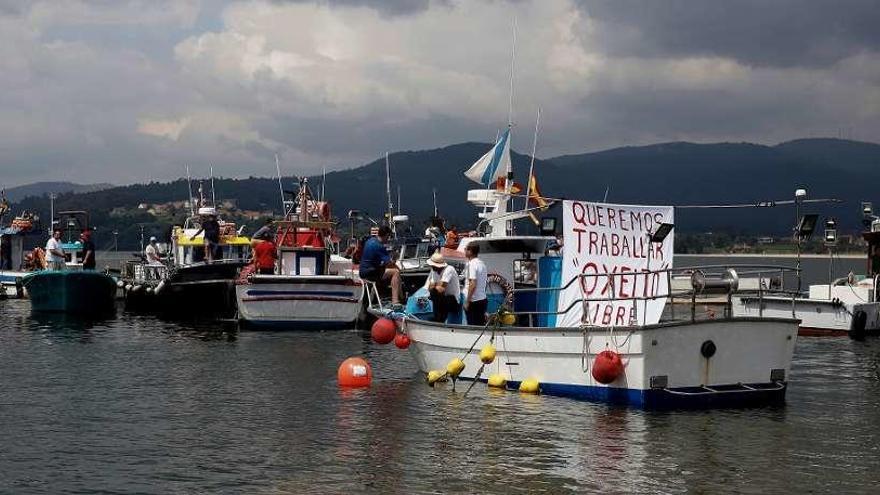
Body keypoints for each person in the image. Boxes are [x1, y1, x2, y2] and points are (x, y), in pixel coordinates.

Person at [358, 225, 402, 305]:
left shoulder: (370, 241)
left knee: (383, 271)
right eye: (389, 237)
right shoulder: (379, 246)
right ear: (386, 235)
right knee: (395, 272)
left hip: (363, 271)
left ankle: (381, 296)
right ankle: (396, 301)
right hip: (371, 273)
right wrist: (395, 258)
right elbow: (389, 264)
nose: (388, 239)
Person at [425, 252, 460, 323]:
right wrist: (436, 285)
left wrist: (435, 285)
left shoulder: (449, 269)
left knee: (436, 292)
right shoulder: (434, 271)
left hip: (453, 300)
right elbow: (430, 287)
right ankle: (438, 317)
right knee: (433, 293)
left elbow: (441, 289)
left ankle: (439, 318)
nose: (431, 267)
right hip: (444, 298)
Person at [463, 243, 488, 326]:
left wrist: (467, 301)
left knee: (473, 326)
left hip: (474, 301)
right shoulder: (482, 264)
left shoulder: (472, 264)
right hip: (482, 299)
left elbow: (473, 284)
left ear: (470, 251)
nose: (464, 251)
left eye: (465, 249)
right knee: (480, 325)